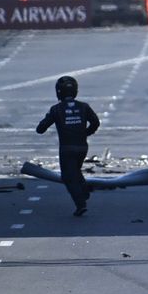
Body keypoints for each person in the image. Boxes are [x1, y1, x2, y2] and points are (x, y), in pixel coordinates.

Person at [35, 76, 100, 216]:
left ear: (58, 92)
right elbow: (96, 122)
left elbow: (40, 129)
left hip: (66, 148)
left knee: (68, 176)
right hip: (82, 147)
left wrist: (49, 119)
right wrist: (85, 133)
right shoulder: (84, 106)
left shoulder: (56, 109)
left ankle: (80, 203)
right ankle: (84, 189)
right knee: (75, 170)